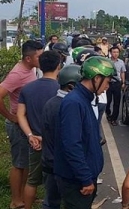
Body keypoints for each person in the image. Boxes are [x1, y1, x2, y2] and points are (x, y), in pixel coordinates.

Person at [53, 56, 116, 209]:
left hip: (82, 177)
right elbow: (72, 145)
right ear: (97, 78)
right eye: (107, 81)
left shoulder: (85, 99)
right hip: (76, 181)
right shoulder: (74, 103)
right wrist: (85, 178)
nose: (107, 86)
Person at [0, 40, 43, 209]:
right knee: (19, 164)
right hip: (18, 125)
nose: (41, 59)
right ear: (28, 58)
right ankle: (15, 200)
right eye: (38, 56)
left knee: (26, 163)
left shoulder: (30, 69)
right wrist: (11, 117)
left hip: (26, 123)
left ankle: (23, 198)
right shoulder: (17, 74)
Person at [17, 51, 61, 209]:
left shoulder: (27, 89)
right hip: (56, 146)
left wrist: (30, 135)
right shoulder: (61, 90)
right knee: (58, 181)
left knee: (32, 181)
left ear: (40, 66)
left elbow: (20, 115)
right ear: (59, 66)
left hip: (36, 143)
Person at [41, 65, 82, 209]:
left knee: (50, 201)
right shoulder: (69, 106)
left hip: (49, 161)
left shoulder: (50, 103)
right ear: (71, 87)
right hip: (61, 166)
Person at [106, 46, 126, 126]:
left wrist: (123, 82)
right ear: (111, 53)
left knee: (117, 102)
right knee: (108, 101)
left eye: (117, 52)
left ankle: (114, 119)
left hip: (117, 83)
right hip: (108, 83)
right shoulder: (107, 61)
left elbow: (122, 72)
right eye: (114, 52)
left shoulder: (121, 62)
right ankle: (108, 113)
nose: (116, 54)